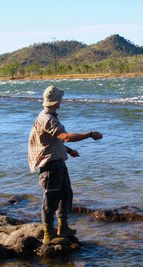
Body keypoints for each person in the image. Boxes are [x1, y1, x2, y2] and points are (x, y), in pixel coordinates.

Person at [28, 85, 103, 244]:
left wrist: (68, 151)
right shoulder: (46, 118)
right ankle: (48, 233)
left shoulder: (51, 115)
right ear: (56, 101)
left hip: (58, 164)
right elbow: (65, 136)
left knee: (66, 194)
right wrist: (89, 134)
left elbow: (53, 141)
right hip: (50, 167)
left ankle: (63, 227)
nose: (62, 100)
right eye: (60, 98)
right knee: (50, 199)